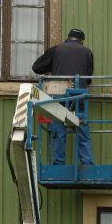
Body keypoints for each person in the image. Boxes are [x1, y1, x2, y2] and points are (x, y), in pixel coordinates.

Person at [32, 28, 94, 166]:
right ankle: (87, 162)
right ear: (81, 40)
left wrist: (53, 68)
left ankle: (59, 163)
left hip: (59, 95)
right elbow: (88, 78)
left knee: (59, 130)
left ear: (68, 37)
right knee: (82, 129)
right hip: (79, 95)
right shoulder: (87, 52)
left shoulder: (57, 49)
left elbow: (36, 67)